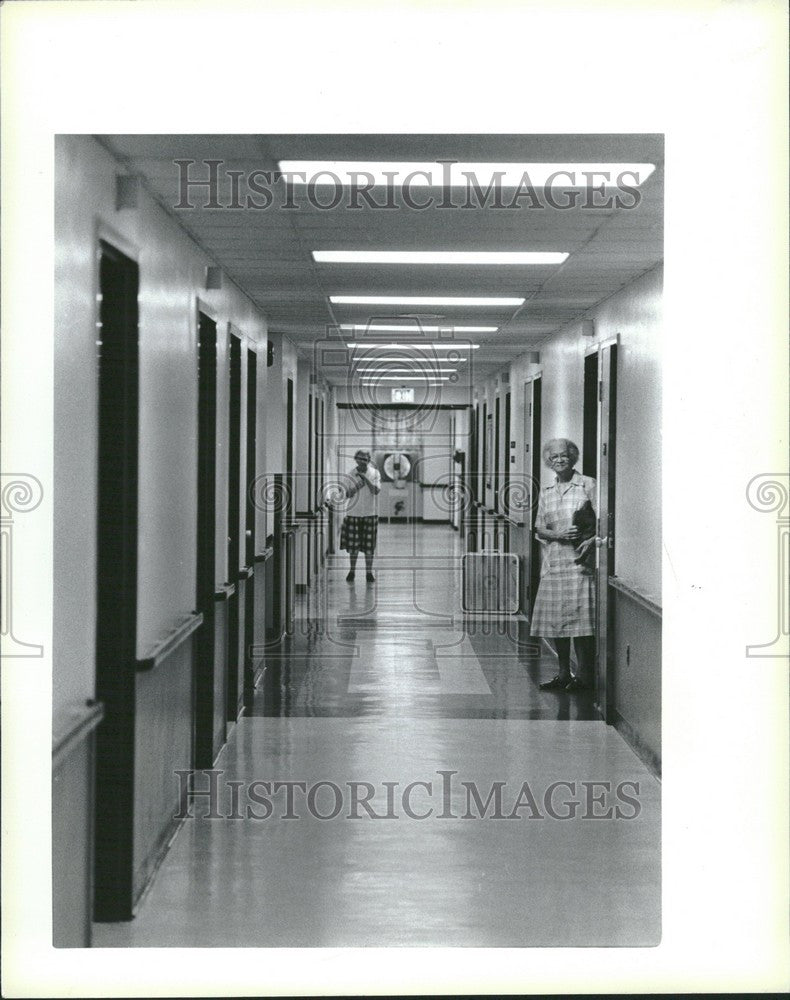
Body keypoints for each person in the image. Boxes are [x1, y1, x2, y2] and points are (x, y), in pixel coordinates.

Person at [530, 438, 598, 693]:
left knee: (581, 622)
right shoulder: (547, 492)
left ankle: (583, 675)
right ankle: (562, 674)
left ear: (573, 457)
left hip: (579, 565)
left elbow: (602, 521)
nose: (560, 460)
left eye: (564, 455)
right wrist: (557, 535)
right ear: (549, 461)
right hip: (554, 564)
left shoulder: (588, 485)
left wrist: (591, 539)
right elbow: (538, 527)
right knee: (557, 624)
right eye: (554, 457)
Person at [339, 449, 381, 583]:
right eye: (360, 459)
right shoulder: (350, 475)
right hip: (353, 514)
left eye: (366, 459)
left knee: (369, 546)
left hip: (370, 513)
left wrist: (366, 479)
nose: (363, 461)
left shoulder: (375, 473)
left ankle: (369, 572)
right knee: (353, 546)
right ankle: (352, 571)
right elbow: (347, 494)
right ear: (356, 459)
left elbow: (376, 490)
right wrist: (357, 485)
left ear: (369, 460)